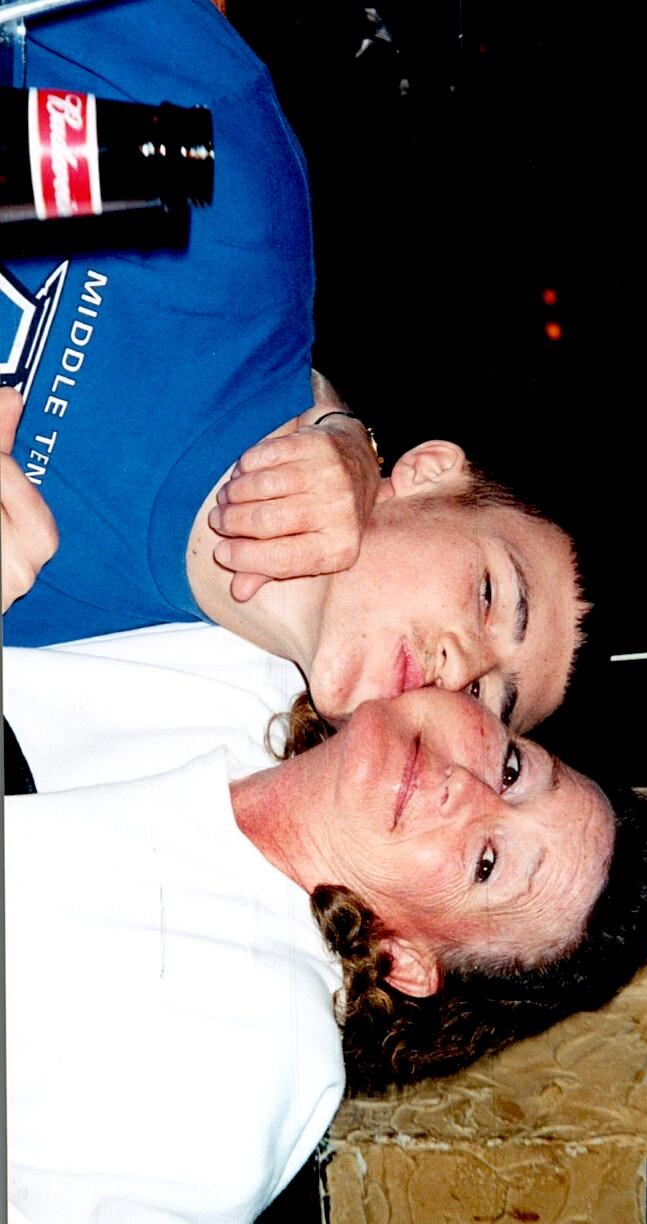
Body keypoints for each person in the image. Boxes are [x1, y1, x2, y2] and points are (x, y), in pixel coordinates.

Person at [1, 0, 584, 733]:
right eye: (491, 597)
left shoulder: (89, 704)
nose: (459, 666)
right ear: (430, 473)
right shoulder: (235, 209)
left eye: (484, 700)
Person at [5, 684, 647, 1224]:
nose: (469, 787)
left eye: (486, 863)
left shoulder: (240, 1068)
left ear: (407, 961)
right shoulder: (251, 666)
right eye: (512, 769)